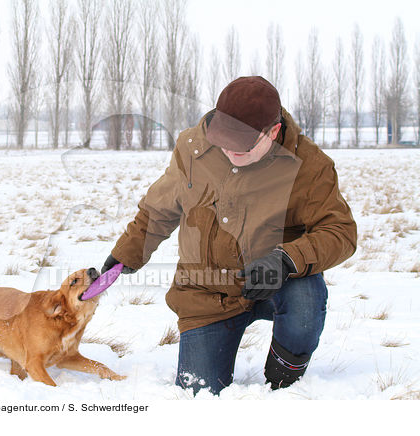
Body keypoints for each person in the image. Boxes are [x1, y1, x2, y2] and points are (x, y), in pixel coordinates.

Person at [101, 76, 357, 395]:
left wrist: (287, 261)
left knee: (306, 303)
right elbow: (159, 208)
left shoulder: (310, 166)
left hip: (278, 281)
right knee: (199, 394)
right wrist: (125, 255)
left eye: (243, 143)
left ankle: (285, 378)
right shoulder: (194, 147)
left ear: (273, 132)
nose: (230, 150)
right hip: (209, 293)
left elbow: (340, 231)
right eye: (223, 139)